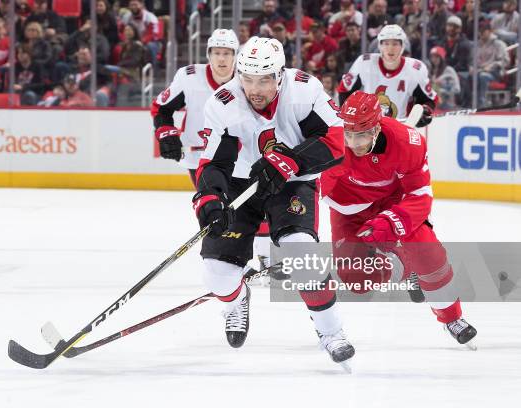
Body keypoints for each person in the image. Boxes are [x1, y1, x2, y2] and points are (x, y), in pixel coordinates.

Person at [192, 36, 354, 367]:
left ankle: (331, 331)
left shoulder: (304, 90)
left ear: (279, 75)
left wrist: (289, 161)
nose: (255, 88)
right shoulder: (222, 103)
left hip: (293, 181)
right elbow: (214, 164)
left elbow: (336, 142)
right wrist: (209, 199)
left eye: (264, 79)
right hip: (241, 185)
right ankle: (236, 299)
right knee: (216, 274)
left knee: (302, 254)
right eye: (248, 78)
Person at [321, 91, 478, 349]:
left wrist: (391, 222)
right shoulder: (331, 141)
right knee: (355, 279)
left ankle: (451, 317)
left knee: (427, 251)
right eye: (348, 134)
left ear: (376, 128)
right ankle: (404, 266)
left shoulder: (408, 142)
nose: (353, 143)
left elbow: (420, 195)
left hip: (391, 201)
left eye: (360, 135)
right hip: (347, 208)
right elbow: (311, 188)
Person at [151, 29, 238, 186]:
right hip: (198, 157)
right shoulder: (189, 77)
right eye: (216, 53)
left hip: (239, 157)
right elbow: (161, 108)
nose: (221, 59)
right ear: (208, 55)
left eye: (227, 53)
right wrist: (166, 134)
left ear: (235, 55)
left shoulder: (247, 79)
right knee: (212, 205)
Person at [337, 24, 437, 127]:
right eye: (386, 43)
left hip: (400, 128)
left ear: (402, 46)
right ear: (380, 45)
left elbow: (429, 99)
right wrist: (348, 116)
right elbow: (344, 89)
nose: (390, 48)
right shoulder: (364, 63)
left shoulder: (415, 69)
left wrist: (424, 112)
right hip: (368, 128)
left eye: (395, 44)